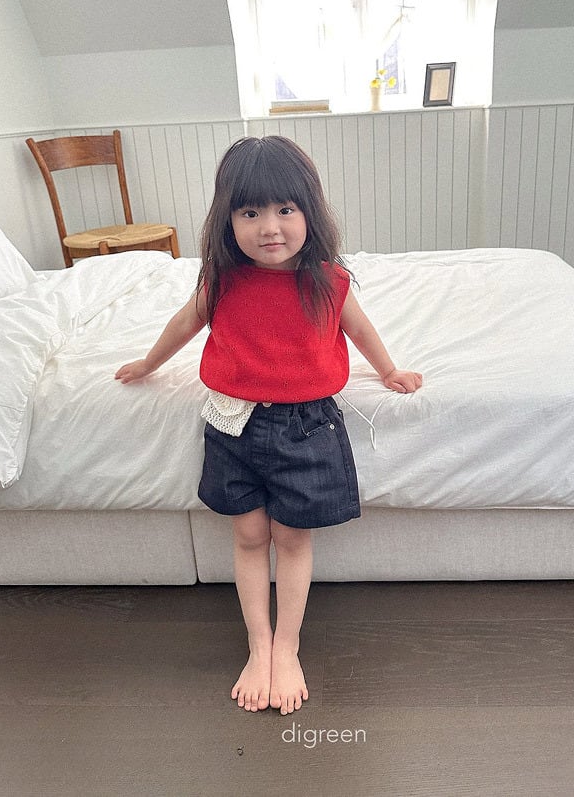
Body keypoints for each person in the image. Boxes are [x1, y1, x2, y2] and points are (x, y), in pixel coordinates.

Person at [115, 135, 422, 715]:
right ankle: (259, 644)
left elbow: (359, 328)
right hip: (233, 423)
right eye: (250, 213)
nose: (270, 228)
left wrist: (389, 370)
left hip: (308, 426)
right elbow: (184, 323)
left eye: (285, 209)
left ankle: (288, 645)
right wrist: (148, 364)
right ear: (227, 220)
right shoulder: (222, 280)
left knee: (292, 538)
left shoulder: (328, 280)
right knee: (250, 536)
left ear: (310, 212)